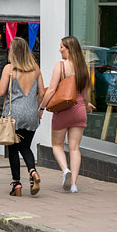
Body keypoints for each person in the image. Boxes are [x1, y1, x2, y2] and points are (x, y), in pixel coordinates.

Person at [38, 36, 95, 193]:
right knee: (75, 148)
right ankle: (74, 184)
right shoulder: (83, 67)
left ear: (69, 49)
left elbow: (51, 91)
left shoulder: (61, 66)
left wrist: (42, 107)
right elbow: (84, 93)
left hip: (63, 110)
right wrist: (87, 104)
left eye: (62, 47)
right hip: (79, 110)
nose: (60, 49)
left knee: (57, 145)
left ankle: (65, 170)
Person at [0, 37, 45, 197]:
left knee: (12, 149)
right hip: (32, 114)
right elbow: (42, 93)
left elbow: (1, 92)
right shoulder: (35, 69)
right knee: (25, 147)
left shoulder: (9, 69)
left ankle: (17, 184)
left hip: (14, 115)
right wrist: (39, 109)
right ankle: (33, 171)